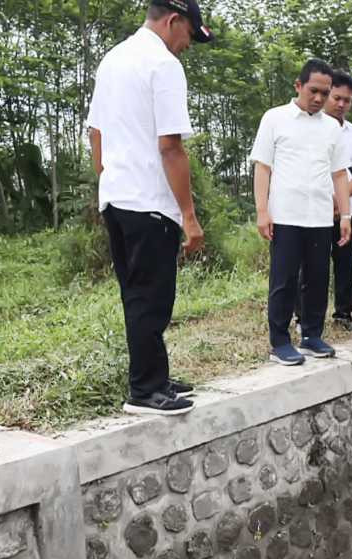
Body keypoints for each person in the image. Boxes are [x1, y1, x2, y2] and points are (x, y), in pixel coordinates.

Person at [86, 0, 213, 416]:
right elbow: (171, 147)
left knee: (136, 292)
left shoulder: (114, 59)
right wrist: (190, 217)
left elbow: (96, 132)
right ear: (173, 21)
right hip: (149, 202)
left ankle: (154, 375)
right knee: (152, 297)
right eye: (189, 35)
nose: (187, 45)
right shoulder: (163, 65)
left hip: (117, 195)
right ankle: (145, 391)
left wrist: (107, 176)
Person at [250, 59, 352, 366]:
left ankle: (311, 335)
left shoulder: (332, 128)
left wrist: (345, 216)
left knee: (318, 278)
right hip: (284, 215)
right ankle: (279, 341)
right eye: (313, 91)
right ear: (298, 86)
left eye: (324, 92)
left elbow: (339, 175)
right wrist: (262, 211)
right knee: (284, 280)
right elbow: (262, 168)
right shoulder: (275, 119)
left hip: (320, 216)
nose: (319, 99)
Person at [295, 70, 352, 332]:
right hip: (315, 208)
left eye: (346, 100)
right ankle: (304, 317)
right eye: (336, 98)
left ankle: (343, 315)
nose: (340, 104)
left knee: (345, 263)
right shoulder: (308, 127)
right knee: (311, 264)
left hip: (349, 209)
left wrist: (341, 201)